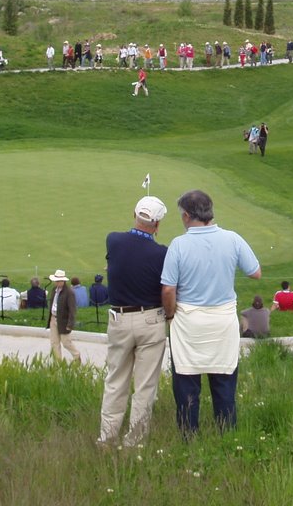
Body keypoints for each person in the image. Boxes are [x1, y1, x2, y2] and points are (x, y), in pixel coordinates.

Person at [160, 189, 261, 438]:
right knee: (224, 380)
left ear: (186, 216)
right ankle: (227, 435)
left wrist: (170, 315)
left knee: (186, 383)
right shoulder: (232, 238)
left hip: (188, 321)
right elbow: (255, 272)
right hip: (223, 320)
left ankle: (189, 437)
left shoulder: (179, 244)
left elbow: (169, 289)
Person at [98, 196, 169, 447]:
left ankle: (107, 438)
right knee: (145, 385)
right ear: (158, 224)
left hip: (119, 318)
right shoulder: (162, 253)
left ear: (134, 214)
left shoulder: (113, 240)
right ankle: (134, 442)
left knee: (116, 380)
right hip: (151, 319)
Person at [47, 269, 80, 362]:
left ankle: (77, 356)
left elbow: (72, 309)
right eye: (56, 281)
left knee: (66, 342)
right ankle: (58, 363)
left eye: (59, 281)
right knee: (54, 342)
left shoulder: (69, 292)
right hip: (54, 318)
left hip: (64, 320)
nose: (57, 283)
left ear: (63, 281)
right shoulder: (54, 290)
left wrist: (70, 324)